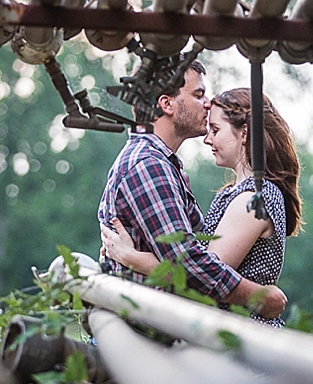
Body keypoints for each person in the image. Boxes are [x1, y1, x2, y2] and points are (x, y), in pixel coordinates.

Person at [97, 60, 287, 320]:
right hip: (145, 338)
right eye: (199, 94)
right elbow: (193, 267)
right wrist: (263, 297)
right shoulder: (149, 165)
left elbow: (197, 254)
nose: (208, 103)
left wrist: (133, 257)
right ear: (167, 104)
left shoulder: (166, 166)